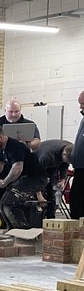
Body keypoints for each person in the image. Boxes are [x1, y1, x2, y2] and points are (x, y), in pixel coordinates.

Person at [0, 99, 41, 233]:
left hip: (18, 163)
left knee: (9, 199)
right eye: (11, 111)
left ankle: (19, 229)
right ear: (5, 111)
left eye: (17, 111)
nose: (14, 114)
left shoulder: (29, 125)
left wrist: (25, 143)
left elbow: (36, 143)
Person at [35, 138, 73, 218]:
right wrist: (39, 194)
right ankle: (38, 218)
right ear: (64, 154)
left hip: (53, 163)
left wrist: (62, 181)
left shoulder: (70, 148)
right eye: (66, 160)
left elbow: (65, 165)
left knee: (51, 191)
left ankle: (51, 217)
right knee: (40, 186)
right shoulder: (47, 156)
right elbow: (35, 175)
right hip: (36, 163)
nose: (67, 163)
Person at [70, 91, 84, 219]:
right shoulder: (83, 119)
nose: (80, 107)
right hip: (79, 167)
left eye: (83, 104)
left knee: (79, 199)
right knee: (75, 198)